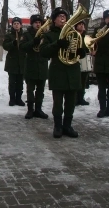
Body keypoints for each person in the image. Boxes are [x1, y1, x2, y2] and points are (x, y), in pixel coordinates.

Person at [39, 7, 86, 138]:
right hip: (58, 72)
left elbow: (82, 50)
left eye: (64, 16)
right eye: (59, 16)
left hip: (73, 72)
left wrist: (82, 51)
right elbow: (43, 52)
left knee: (71, 103)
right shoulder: (48, 35)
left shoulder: (74, 33)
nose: (62, 18)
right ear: (54, 20)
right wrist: (57, 44)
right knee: (58, 103)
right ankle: (58, 126)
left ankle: (68, 126)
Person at [20, 14, 49, 119]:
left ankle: (38, 109)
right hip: (31, 65)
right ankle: (30, 109)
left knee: (40, 90)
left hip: (42, 64)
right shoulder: (27, 34)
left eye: (39, 23)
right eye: (36, 22)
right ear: (32, 24)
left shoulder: (45, 35)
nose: (38, 24)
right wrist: (33, 41)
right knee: (30, 89)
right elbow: (22, 47)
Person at [3, 17, 26, 106]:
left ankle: (19, 98)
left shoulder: (24, 35)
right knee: (12, 82)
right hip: (12, 62)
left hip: (22, 62)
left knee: (20, 82)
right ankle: (12, 99)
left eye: (18, 23)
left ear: (21, 25)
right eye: (14, 23)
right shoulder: (9, 35)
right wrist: (12, 44)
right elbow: (5, 46)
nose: (16, 25)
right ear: (12, 25)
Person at [74, 21, 90, 106]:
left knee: (83, 80)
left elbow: (90, 46)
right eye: (79, 24)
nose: (81, 26)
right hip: (76, 59)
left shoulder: (86, 37)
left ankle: (81, 98)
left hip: (85, 59)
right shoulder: (73, 35)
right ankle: (75, 98)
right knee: (76, 80)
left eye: (83, 24)